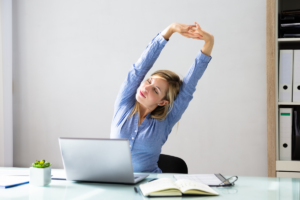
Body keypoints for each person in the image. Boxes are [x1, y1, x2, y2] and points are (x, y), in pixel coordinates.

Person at [110, 22, 214, 173]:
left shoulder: (165, 121)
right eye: (149, 81)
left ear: (163, 102)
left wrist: (209, 41)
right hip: (113, 184)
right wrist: (170, 30)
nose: (145, 87)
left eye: (156, 90)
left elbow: (189, 87)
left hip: (151, 188)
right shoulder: (124, 104)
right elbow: (140, 68)